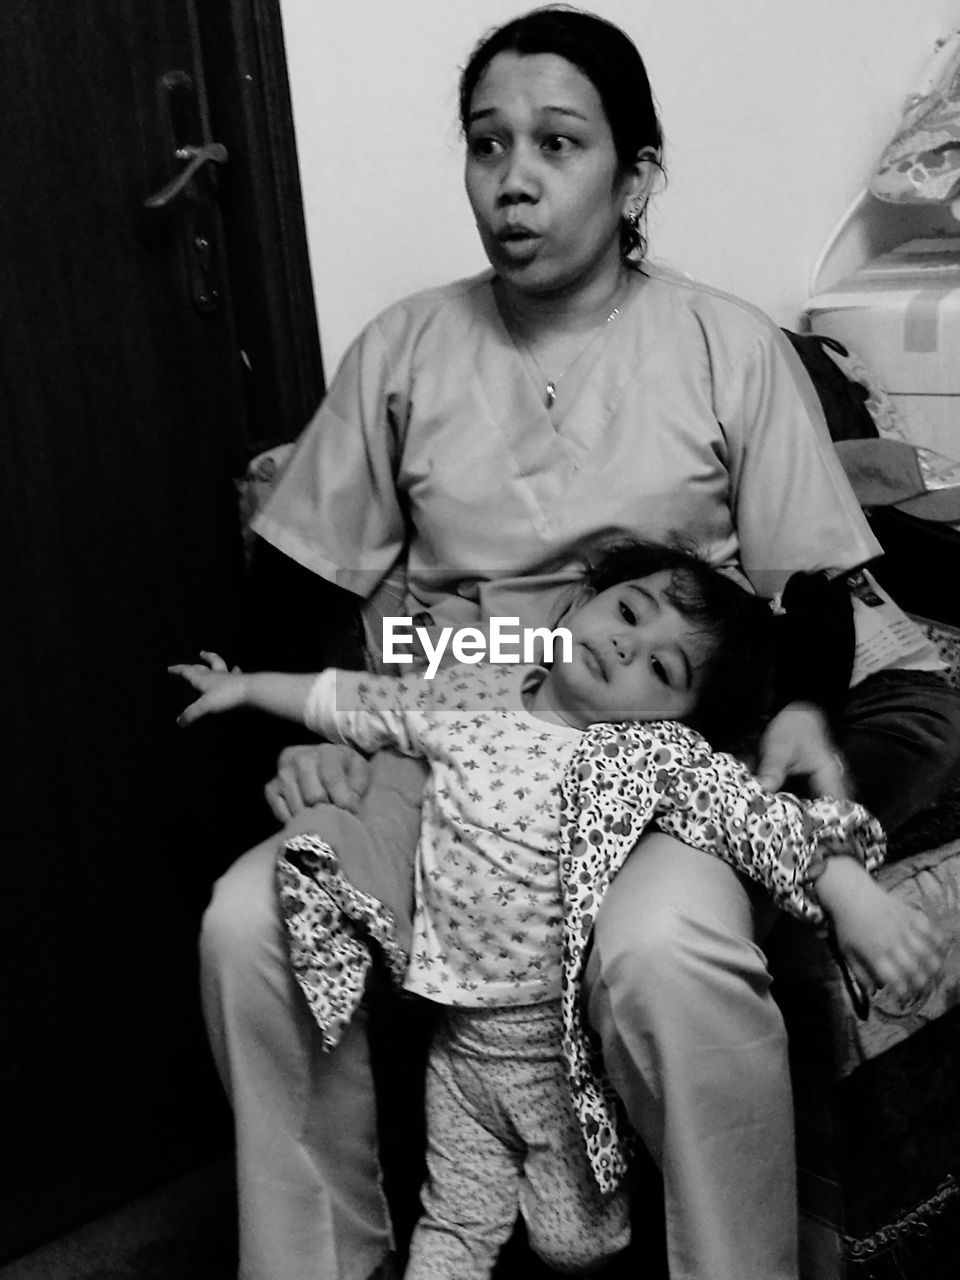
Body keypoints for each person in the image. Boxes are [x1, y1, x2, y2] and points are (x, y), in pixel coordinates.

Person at [199, 8, 960, 1280]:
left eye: (557, 142)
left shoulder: (729, 345)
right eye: (487, 143)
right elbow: (291, 591)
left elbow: (812, 585)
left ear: (635, 174)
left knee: (669, 944)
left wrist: (800, 711)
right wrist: (301, 746)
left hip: (638, 751)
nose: (515, 175)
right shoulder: (404, 349)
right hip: (454, 724)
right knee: (251, 921)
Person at [175, 540, 942, 1280]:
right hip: (458, 1043)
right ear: (581, 601)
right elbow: (359, 699)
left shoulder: (648, 758)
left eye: (661, 668)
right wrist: (243, 687)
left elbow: (756, 819)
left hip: (554, 1057)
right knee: (453, 1230)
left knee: (577, 1246)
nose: (624, 649)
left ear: (674, 716)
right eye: (628, 613)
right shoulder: (470, 690)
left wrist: (850, 892)